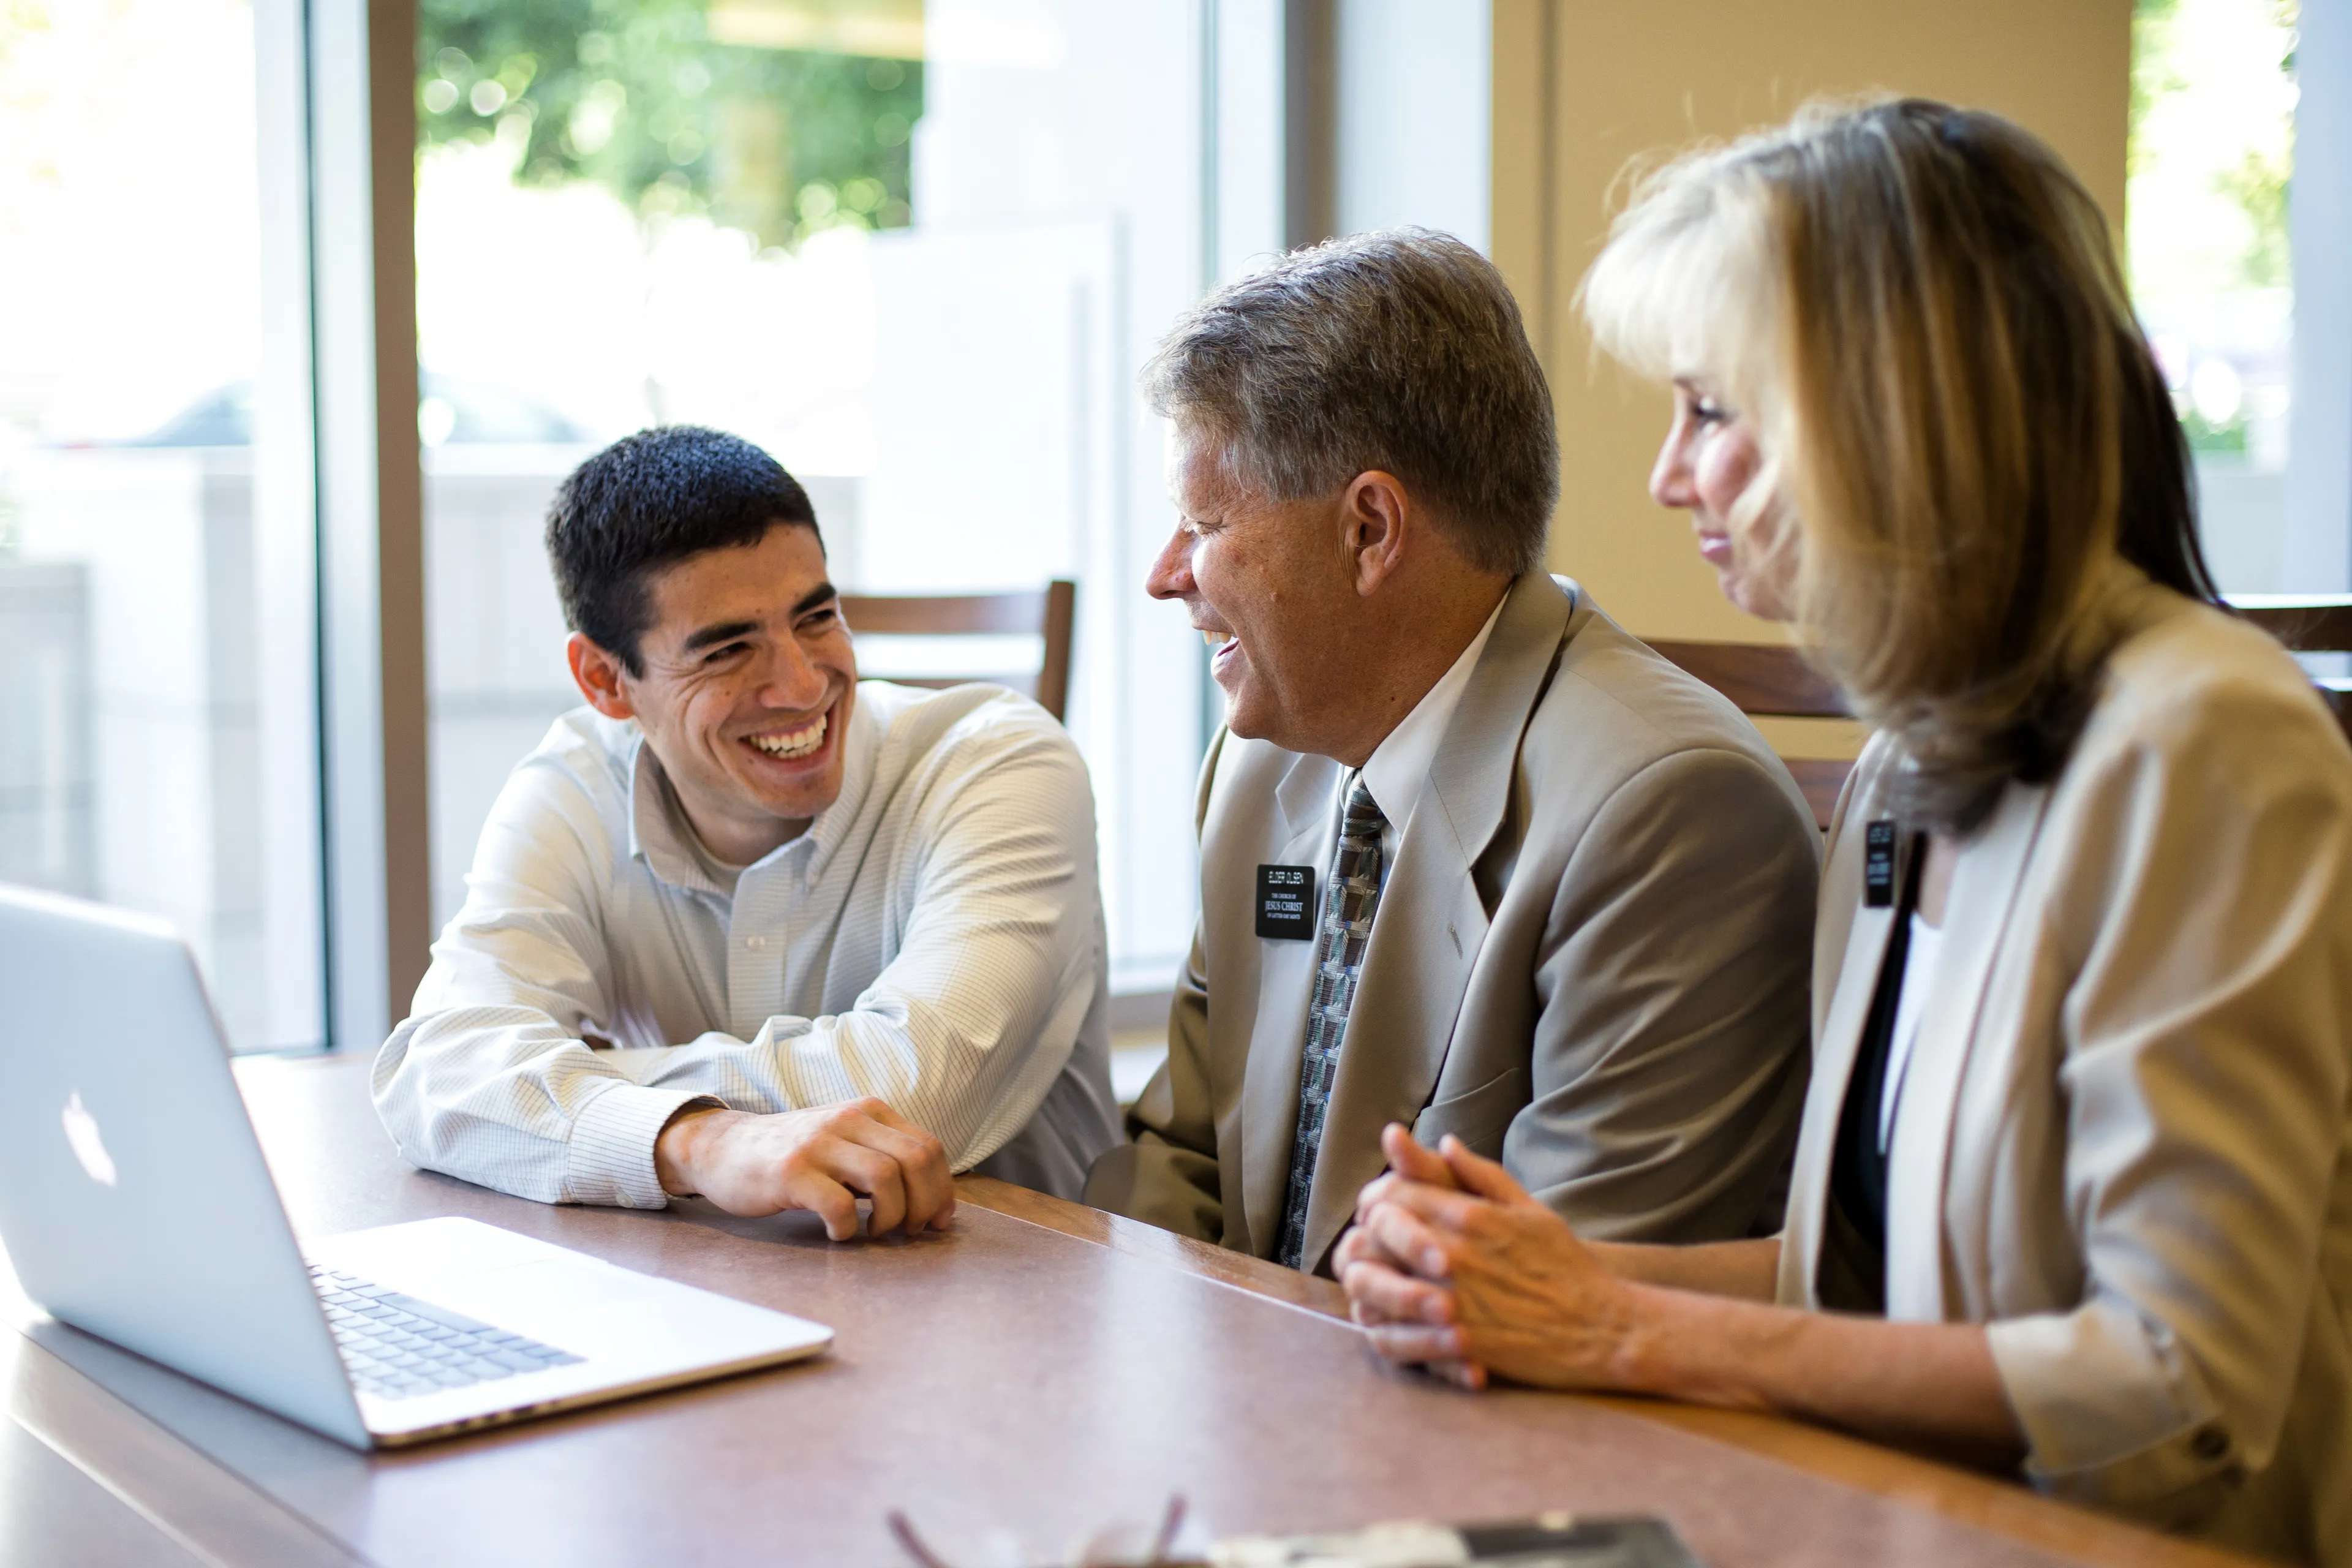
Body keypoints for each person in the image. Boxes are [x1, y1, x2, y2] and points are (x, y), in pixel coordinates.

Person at [1338, 100, 2352, 1563]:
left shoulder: (2211, 735)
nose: (1669, 475)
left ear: (1892, 414)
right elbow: (1867, 1285)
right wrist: (1516, 1273)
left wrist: (1616, 1323)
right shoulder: (1902, 763)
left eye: (1712, 408)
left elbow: (2176, 1381)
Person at [1084, 229, 1822, 1277]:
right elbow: (1184, 1161)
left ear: (1371, 529)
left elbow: (1562, 1302)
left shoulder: (1674, 812)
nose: (1168, 577)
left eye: (1203, 521)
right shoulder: (1259, 767)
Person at [375, 426, 1120, 1237]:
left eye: (817, 617)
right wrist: (697, 1141)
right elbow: (438, 1072)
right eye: (728, 650)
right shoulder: (577, 785)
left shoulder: (998, 762)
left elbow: (911, 1096)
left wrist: (576, 1088)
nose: (802, 685)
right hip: (713, 1287)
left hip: (1015, 1294)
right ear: (605, 679)